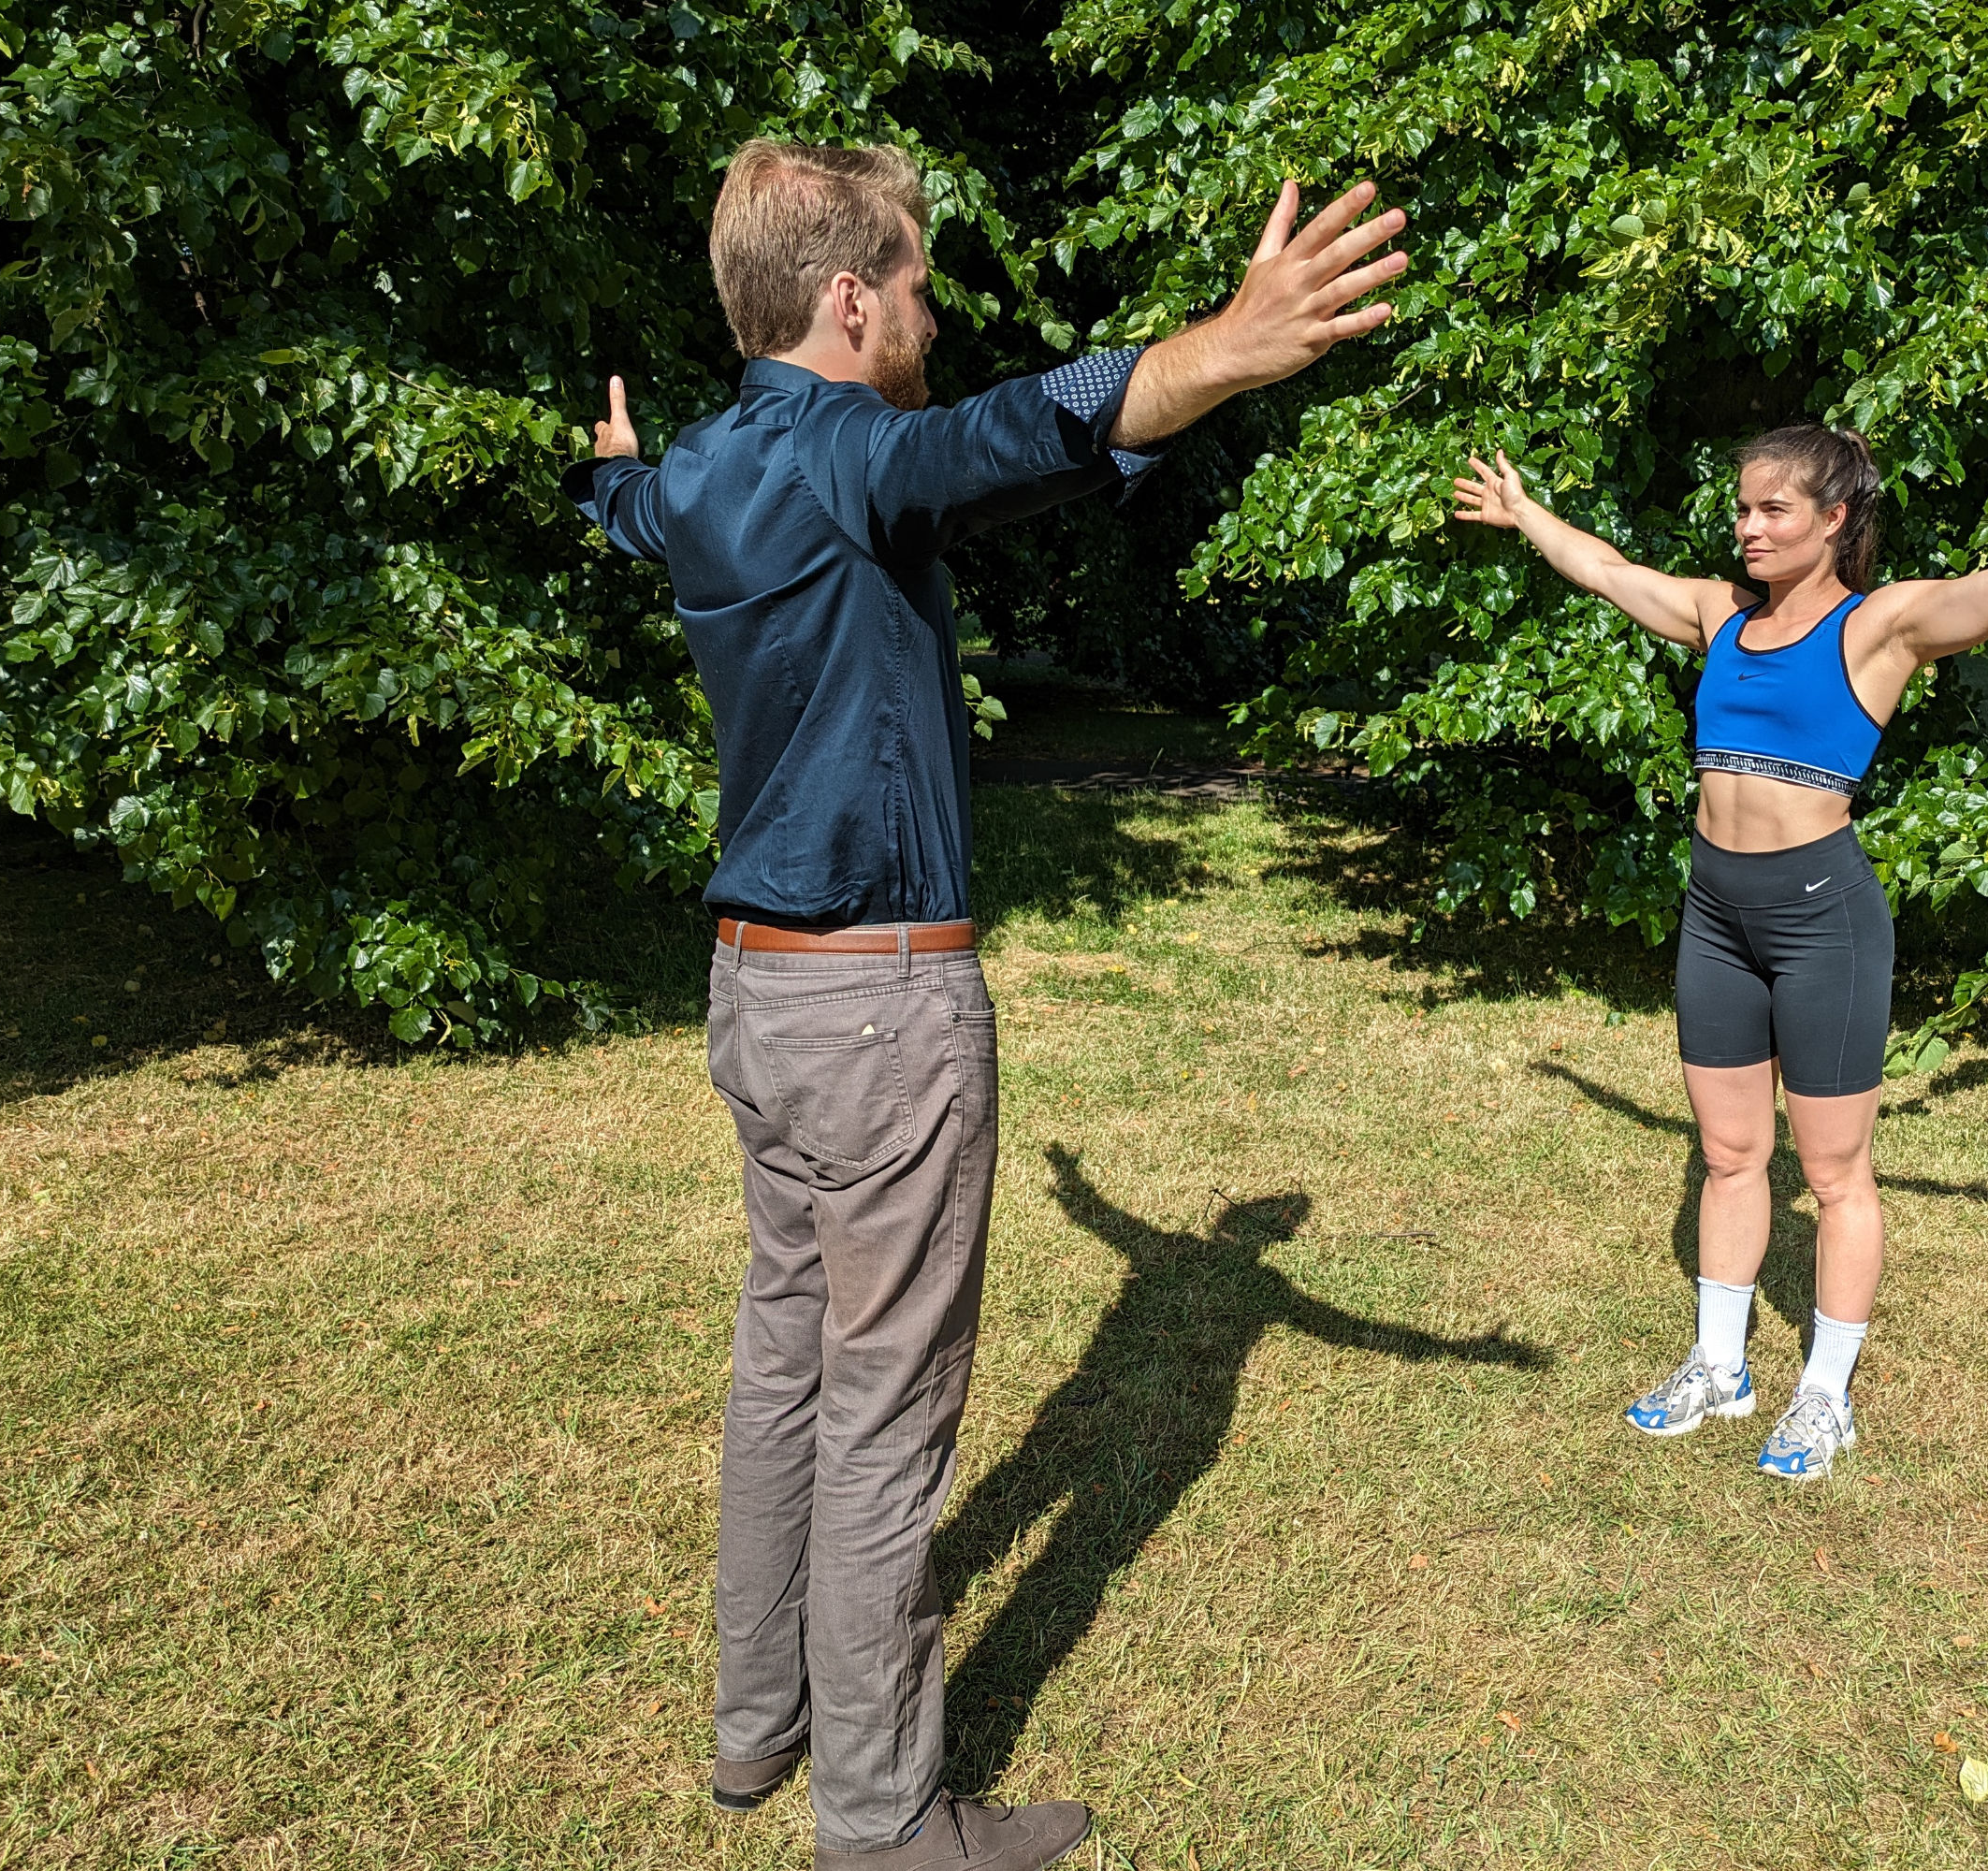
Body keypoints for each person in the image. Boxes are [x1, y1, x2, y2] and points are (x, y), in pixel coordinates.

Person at [565, 141, 1407, 1870]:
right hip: (877, 1012)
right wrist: (1216, 354)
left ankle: (756, 1734)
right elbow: (1012, 433)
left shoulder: (709, 472)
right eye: (926, 289)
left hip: (756, 1003)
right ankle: (881, 1825)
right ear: (854, 301)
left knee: (784, 1365)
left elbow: (634, 509)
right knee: (880, 1417)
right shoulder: (855, 459)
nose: (936, 320)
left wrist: (611, 477)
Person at [1452, 417, 1988, 1481]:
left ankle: (1824, 1393)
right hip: (1717, 912)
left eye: (1772, 508)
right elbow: (1604, 567)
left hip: (1820, 914)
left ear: (1834, 519)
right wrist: (1524, 514)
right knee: (1732, 1154)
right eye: (1742, 507)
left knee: (1833, 1173)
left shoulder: (1882, 626)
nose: (1748, 527)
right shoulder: (1718, 614)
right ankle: (1719, 1363)